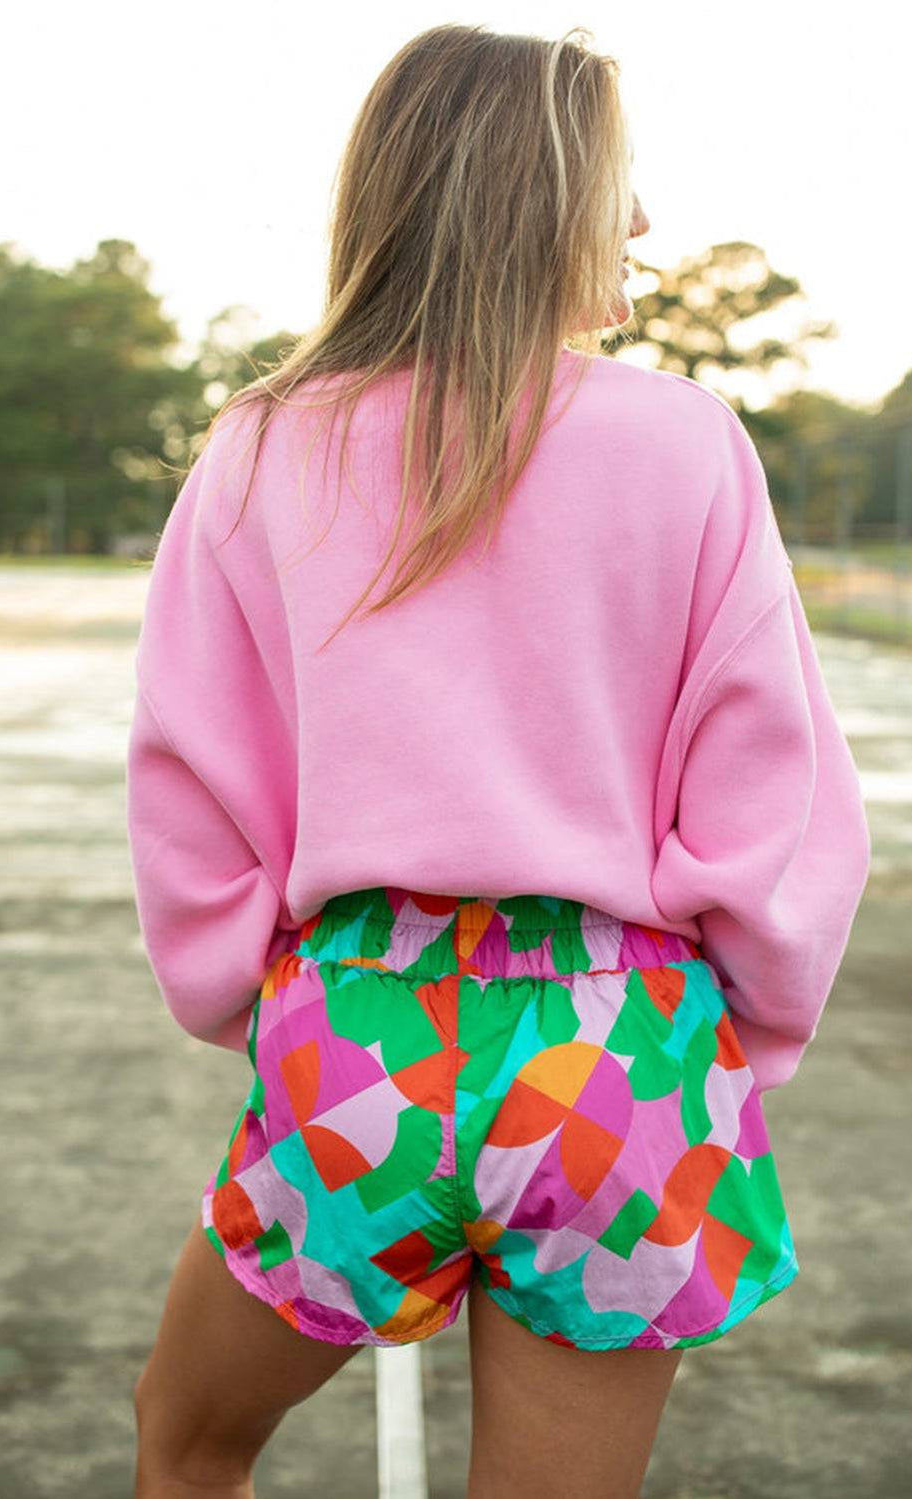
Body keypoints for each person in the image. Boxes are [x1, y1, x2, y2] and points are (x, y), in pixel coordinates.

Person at [125, 22, 871, 1499]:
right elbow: (768, 796)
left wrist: (260, 997)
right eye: (622, 181)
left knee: (187, 1444)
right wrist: (738, 1040)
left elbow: (190, 784)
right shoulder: (688, 444)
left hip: (365, 1028)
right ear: (540, 193)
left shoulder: (265, 448)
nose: (643, 221)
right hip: (624, 1047)